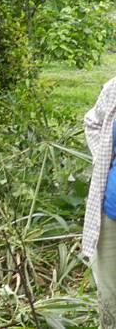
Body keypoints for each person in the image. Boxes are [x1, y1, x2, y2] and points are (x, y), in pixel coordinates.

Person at [83, 77, 116, 328]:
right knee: (110, 298)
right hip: (110, 213)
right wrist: (103, 154)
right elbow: (92, 121)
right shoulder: (114, 88)